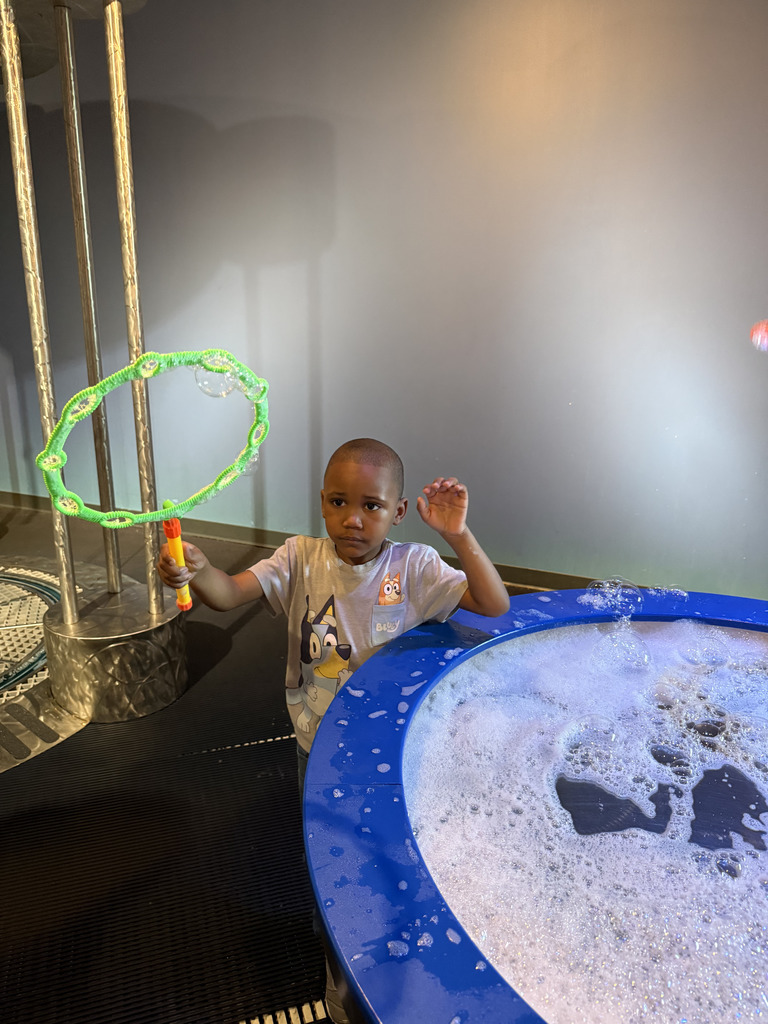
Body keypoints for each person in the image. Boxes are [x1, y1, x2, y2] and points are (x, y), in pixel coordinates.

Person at [156, 437, 509, 1022]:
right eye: (339, 502)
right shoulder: (299, 557)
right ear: (321, 503)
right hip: (315, 744)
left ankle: (405, 957)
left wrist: (457, 535)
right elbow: (227, 594)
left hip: (391, 754)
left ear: (397, 512)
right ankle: (341, 982)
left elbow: (493, 603)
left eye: (371, 505)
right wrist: (197, 568)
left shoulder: (414, 567)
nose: (353, 519)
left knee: (394, 857)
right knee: (333, 863)